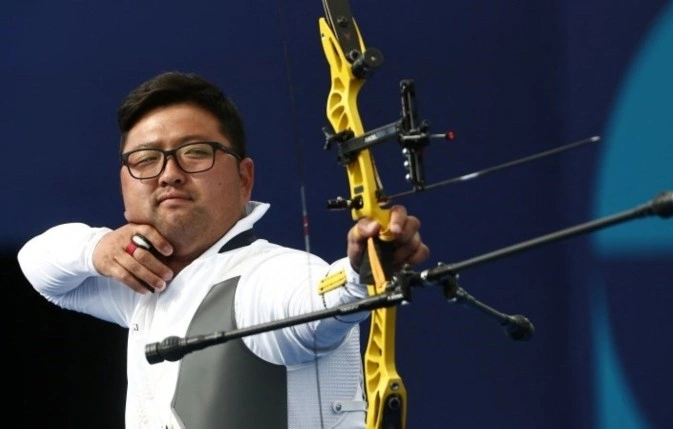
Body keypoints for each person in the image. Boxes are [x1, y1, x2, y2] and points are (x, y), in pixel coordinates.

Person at [17, 71, 429, 429]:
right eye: (145, 159)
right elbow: (37, 265)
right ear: (124, 183)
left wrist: (359, 275)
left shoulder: (267, 275)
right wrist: (97, 247)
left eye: (195, 153)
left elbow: (312, 303)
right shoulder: (145, 284)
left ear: (244, 179)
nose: (169, 174)